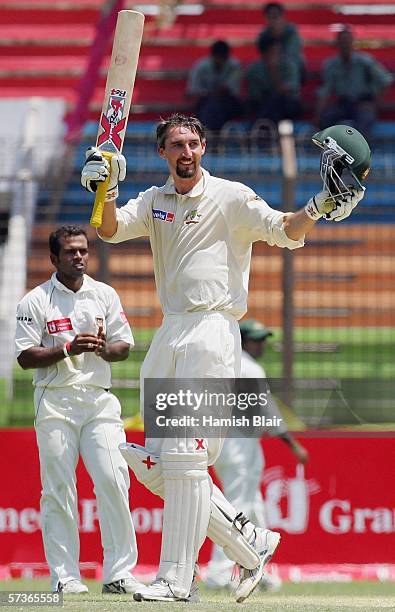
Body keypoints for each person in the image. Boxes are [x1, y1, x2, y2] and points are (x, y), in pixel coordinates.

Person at [80, 114, 368, 603]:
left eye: (193, 143)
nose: (186, 152)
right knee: (157, 465)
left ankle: (176, 578)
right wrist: (102, 188)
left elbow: (283, 229)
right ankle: (249, 542)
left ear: (204, 147)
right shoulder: (155, 201)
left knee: (187, 459)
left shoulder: (230, 196)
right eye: (176, 145)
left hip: (214, 329)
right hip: (170, 331)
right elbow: (108, 230)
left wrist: (318, 204)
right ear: (163, 153)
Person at [14, 226, 143, 595]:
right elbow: (25, 357)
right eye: (70, 252)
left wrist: (102, 349)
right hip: (55, 400)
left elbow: (124, 346)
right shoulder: (35, 300)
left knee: (114, 479)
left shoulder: (104, 294)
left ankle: (119, 574)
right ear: (54, 259)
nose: (79, 257)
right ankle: (65, 575)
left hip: (98, 399)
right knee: (58, 489)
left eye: (83, 251)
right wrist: (68, 349)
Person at [205, 318, 309, 590]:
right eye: (257, 340)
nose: (262, 345)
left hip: (232, 443)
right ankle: (219, 572)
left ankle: (259, 568)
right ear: (245, 341)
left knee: (254, 506)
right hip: (239, 445)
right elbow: (269, 412)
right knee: (238, 506)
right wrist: (293, 445)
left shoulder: (225, 363)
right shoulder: (249, 368)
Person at [316, 26, 393, 135]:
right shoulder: (331, 64)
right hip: (342, 104)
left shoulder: (365, 62)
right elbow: (325, 91)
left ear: (352, 43)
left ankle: (361, 151)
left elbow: (385, 81)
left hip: (363, 103)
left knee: (364, 124)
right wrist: (318, 115)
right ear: (337, 44)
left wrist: (375, 105)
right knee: (325, 120)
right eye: (342, 42)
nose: (345, 45)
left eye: (347, 42)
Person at [186, 40, 243, 131]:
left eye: (223, 58)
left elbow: (231, 90)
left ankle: (211, 132)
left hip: (227, 104)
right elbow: (192, 92)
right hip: (205, 104)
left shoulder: (234, 66)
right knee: (211, 105)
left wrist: (214, 94)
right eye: (218, 58)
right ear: (213, 56)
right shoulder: (201, 67)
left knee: (217, 105)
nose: (220, 61)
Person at [246, 37, 302, 124]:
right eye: (273, 52)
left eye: (279, 52)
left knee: (276, 101)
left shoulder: (289, 66)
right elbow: (255, 95)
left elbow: (284, 90)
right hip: (263, 103)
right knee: (265, 104)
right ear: (264, 54)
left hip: (288, 103)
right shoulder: (254, 69)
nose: (277, 55)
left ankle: (262, 127)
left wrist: (273, 70)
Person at [256, 2, 304, 81]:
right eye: (269, 17)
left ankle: (291, 91)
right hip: (270, 65)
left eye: (275, 16)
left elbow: (292, 54)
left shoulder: (292, 32)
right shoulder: (263, 35)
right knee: (256, 70)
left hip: (291, 65)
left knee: (290, 66)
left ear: (282, 16)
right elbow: (262, 54)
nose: (273, 20)